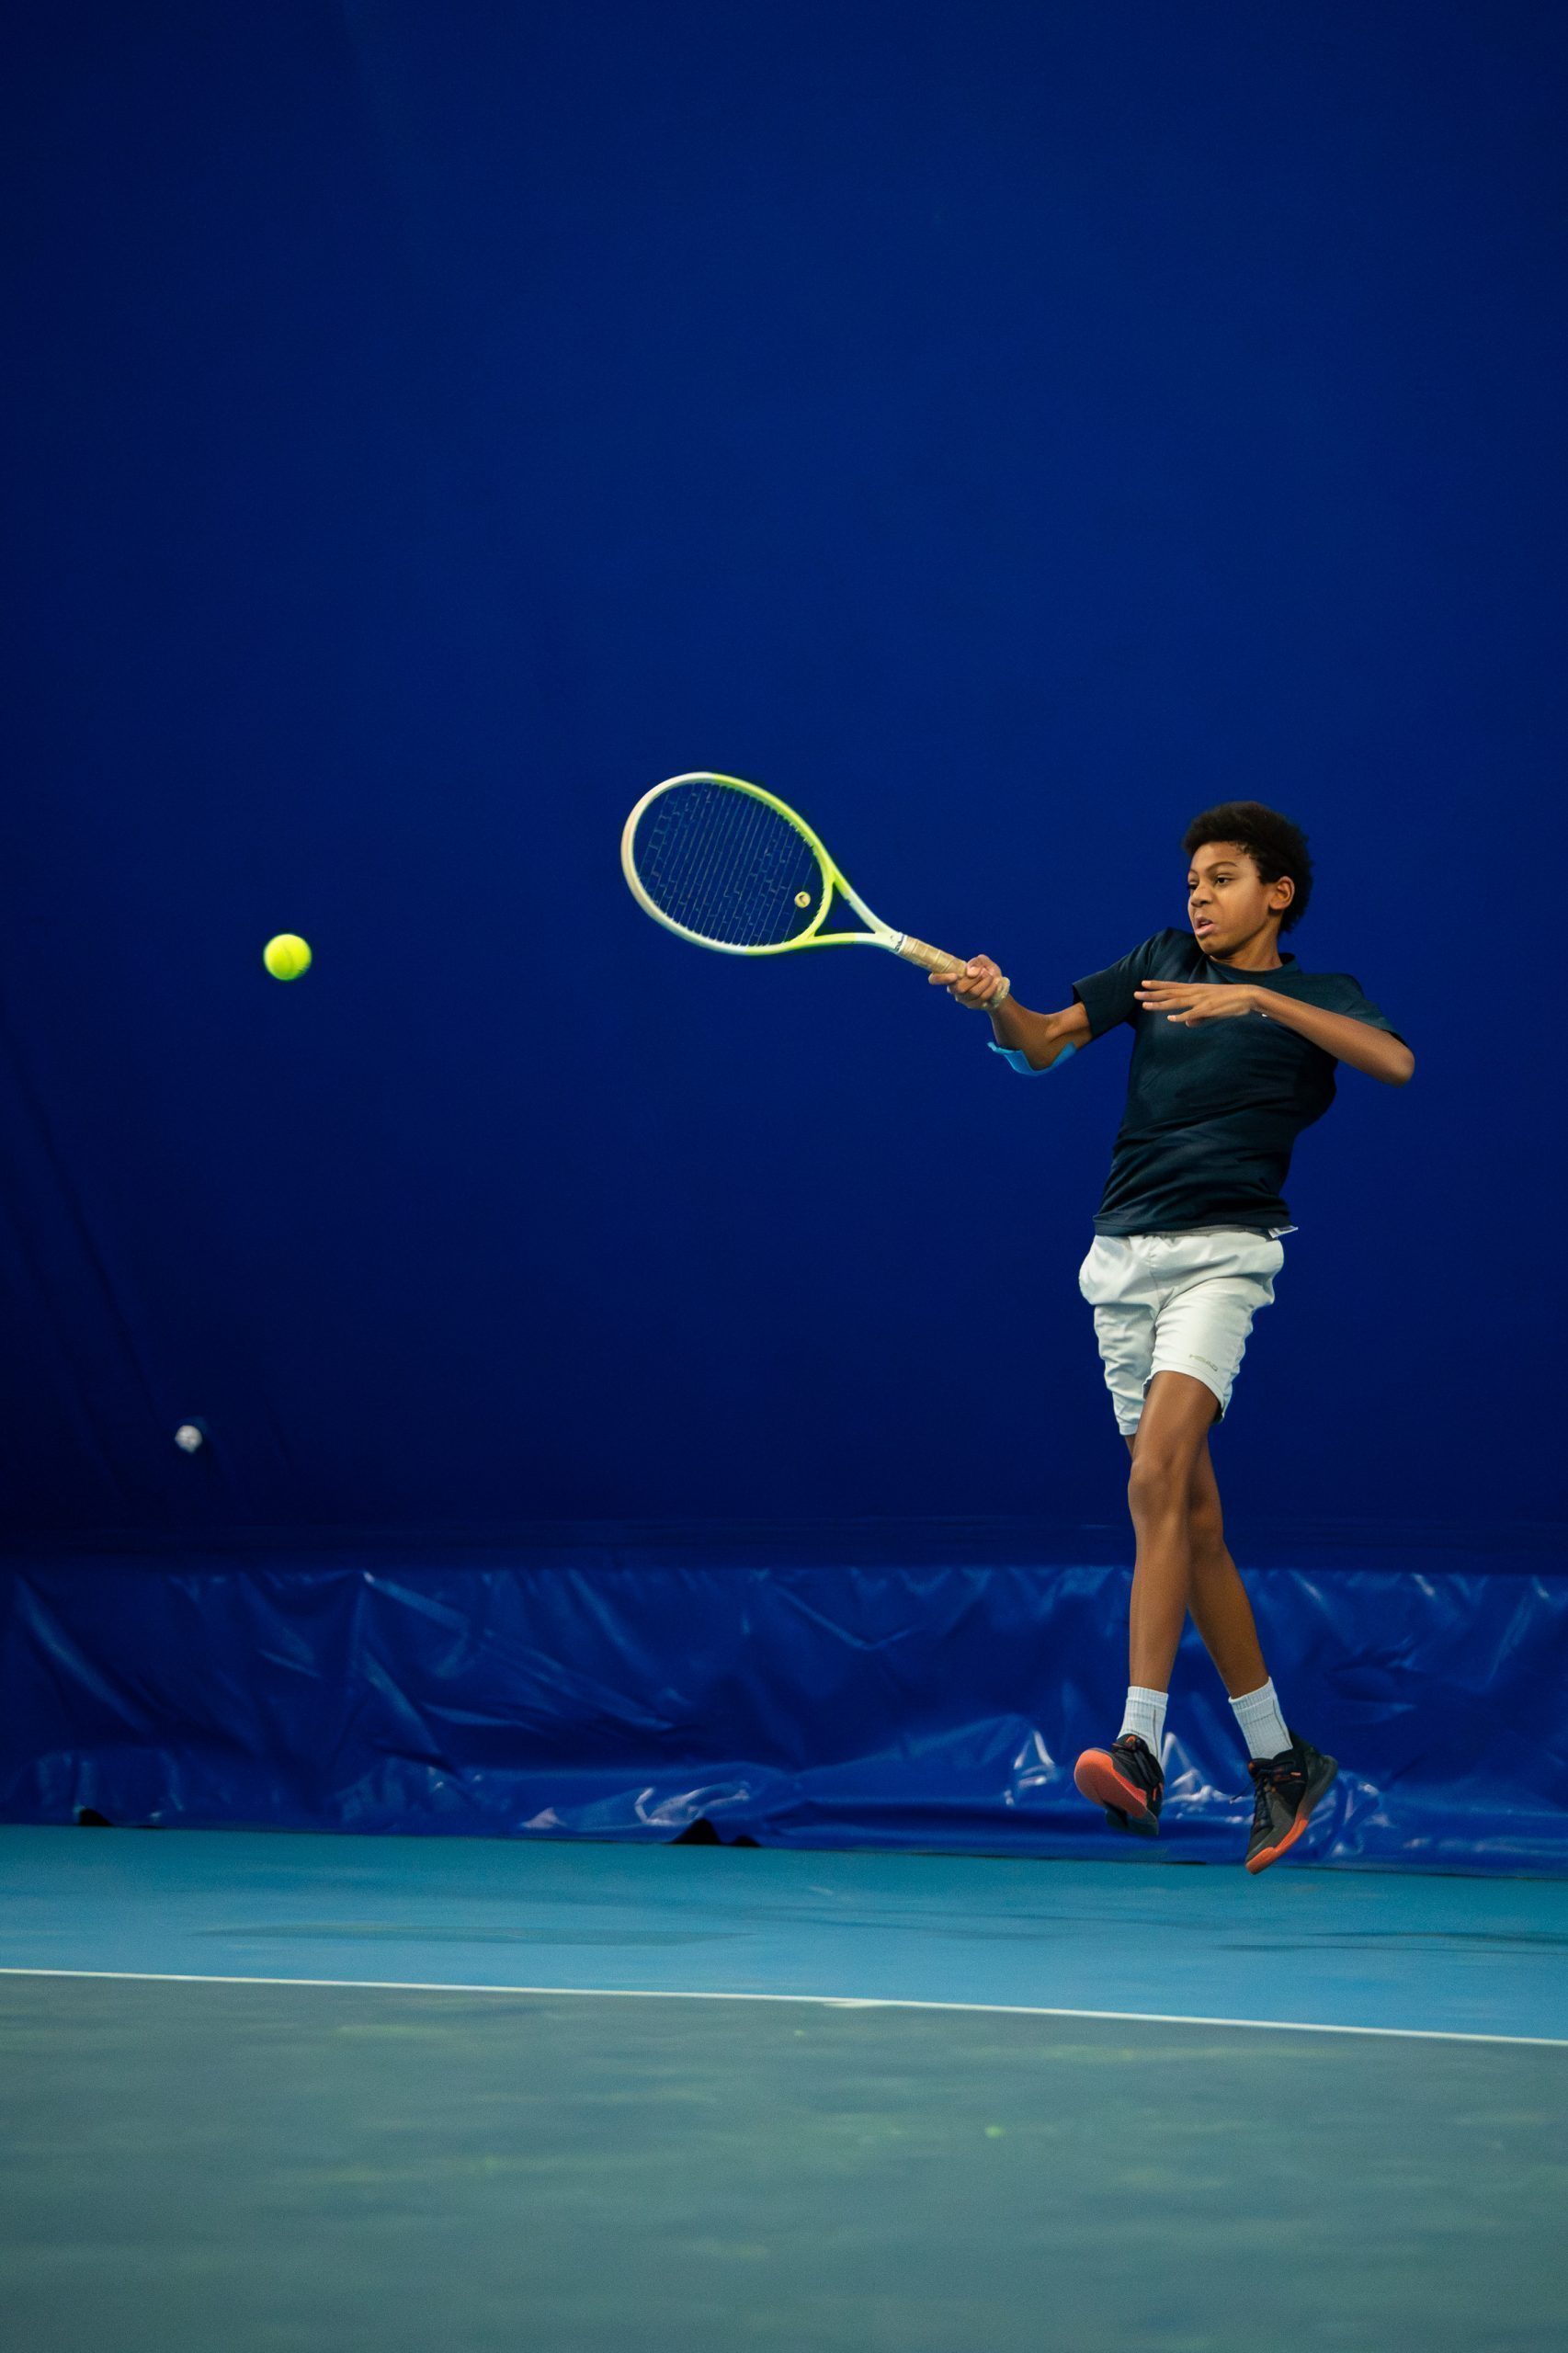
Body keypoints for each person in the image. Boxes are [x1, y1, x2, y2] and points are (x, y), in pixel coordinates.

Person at [936, 802, 1413, 1871]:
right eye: (1191, 880)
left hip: (1221, 1256)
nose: (1198, 896)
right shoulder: (1157, 962)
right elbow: (1044, 1042)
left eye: (1222, 878)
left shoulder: (1317, 995)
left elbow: (1393, 1063)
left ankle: (1138, 1747)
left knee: (1152, 1478)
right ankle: (1278, 1758)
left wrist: (1256, 998)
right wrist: (996, 1000)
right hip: (1119, 1260)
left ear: (1276, 893)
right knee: (1188, 1521)